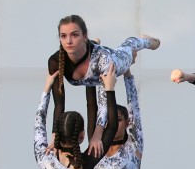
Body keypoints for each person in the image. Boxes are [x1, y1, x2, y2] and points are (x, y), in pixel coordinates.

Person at [48, 14, 159, 155]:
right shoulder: (55, 61)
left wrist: (97, 134)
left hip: (115, 61)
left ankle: (148, 41)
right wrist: (54, 137)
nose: (68, 41)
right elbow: (59, 104)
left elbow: (103, 102)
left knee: (129, 47)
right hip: (93, 66)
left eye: (74, 35)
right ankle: (94, 43)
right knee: (93, 60)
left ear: (84, 36)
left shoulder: (103, 60)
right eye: (63, 36)